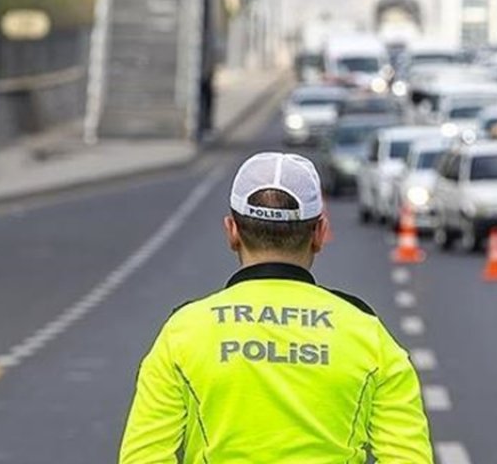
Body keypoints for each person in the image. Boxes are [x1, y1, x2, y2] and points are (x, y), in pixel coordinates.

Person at [119, 152, 433, 463]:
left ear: (232, 231)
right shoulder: (368, 335)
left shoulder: (183, 332)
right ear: (319, 234)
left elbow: (142, 457)